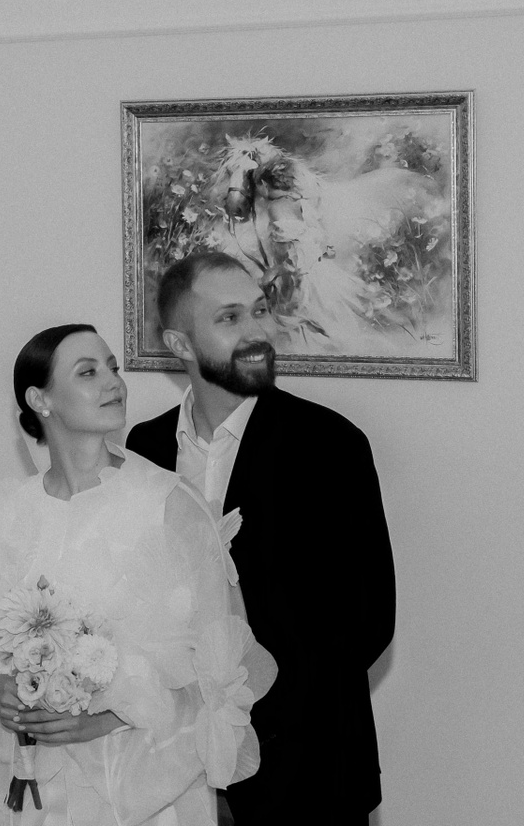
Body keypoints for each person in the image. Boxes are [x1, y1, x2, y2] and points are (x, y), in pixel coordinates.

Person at [0, 323, 276, 826]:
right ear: (40, 399)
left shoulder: (168, 504)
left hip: (147, 793)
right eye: (88, 372)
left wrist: (112, 717)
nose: (114, 383)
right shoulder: (9, 516)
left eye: (113, 368)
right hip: (39, 797)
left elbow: (223, 671)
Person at [125, 253, 396, 826]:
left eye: (260, 311)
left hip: (311, 775)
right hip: (175, 775)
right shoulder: (143, 449)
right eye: (229, 318)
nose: (257, 332)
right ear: (179, 344)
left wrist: (252, 723)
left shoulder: (331, 445)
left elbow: (368, 623)